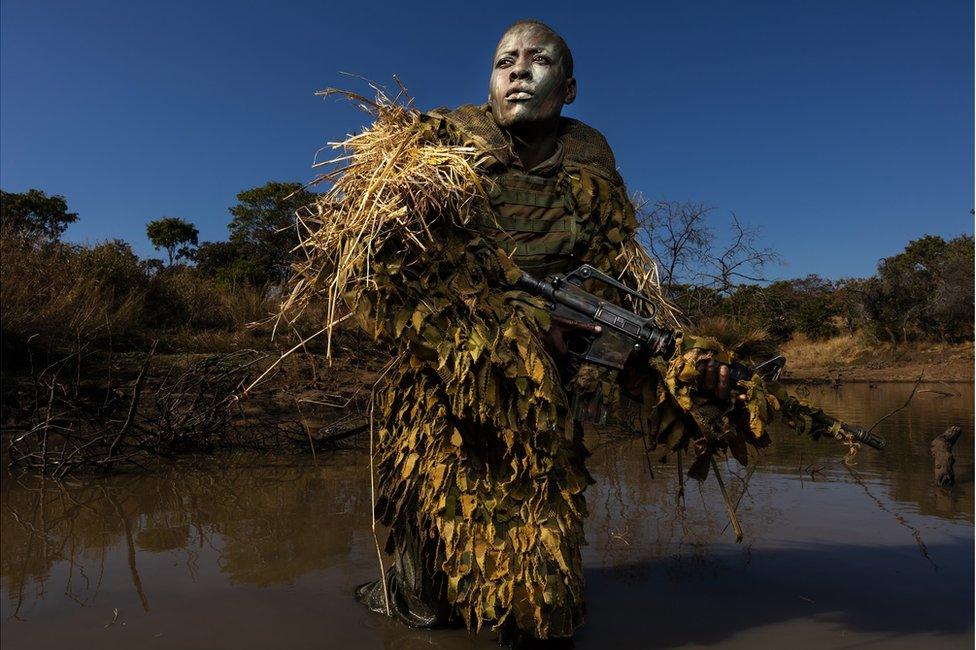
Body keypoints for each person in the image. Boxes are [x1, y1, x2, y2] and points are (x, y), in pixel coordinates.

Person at [351, 19, 735, 644]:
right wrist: (517, 323)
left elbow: (614, 306)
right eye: (506, 59)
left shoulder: (589, 179)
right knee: (426, 592)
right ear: (491, 80)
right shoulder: (436, 158)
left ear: (570, 87)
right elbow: (389, 282)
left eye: (540, 59)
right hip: (437, 399)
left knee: (538, 600)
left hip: (541, 407)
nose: (519, 69)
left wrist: (683, 370)